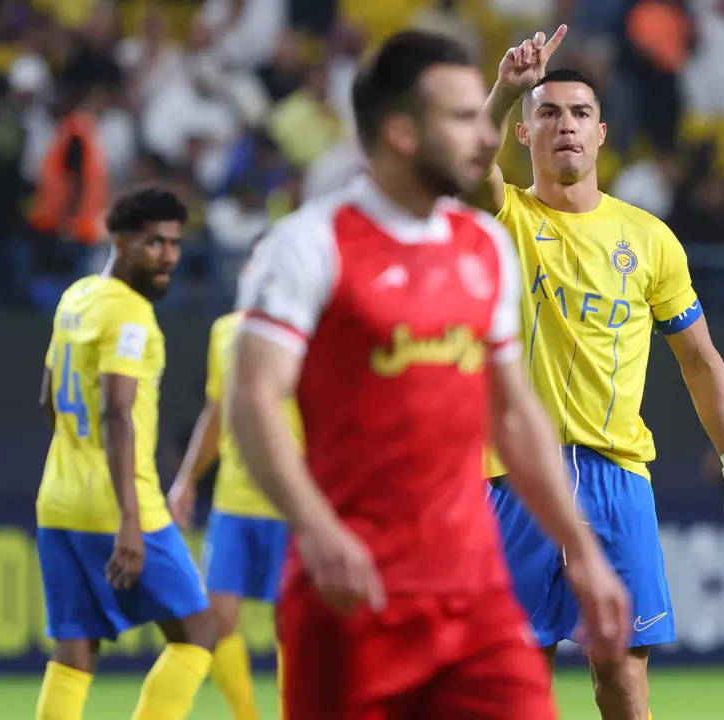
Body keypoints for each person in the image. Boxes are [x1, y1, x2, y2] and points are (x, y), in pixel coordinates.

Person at [228, 31, 629, 720]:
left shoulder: (483, 250)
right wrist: (318, 530)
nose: (485, 136)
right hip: (351, 595)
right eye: (463, 118)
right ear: (400, 131)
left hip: (474, 599)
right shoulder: (307, 247)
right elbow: (252, 400)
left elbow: (512, 415)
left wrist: (585, 552)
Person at [472, 26, 724, 719]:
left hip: (617, 480)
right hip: (519, 479)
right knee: (514, 684)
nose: (565, 125)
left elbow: (700, 361)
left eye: (579, 113)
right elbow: (462, 165)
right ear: (523, 135)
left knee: (623, 684)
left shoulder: (649, 239)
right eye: (547, 112)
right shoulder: (505, 216)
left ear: (602, 134)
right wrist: (505, 89)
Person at [33, 188, 217, 720]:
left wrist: (78, 453)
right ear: (120, 241)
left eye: (175, 244)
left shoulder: (76, 297)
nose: (168, 257)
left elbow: (47, 397)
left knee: (75, 650)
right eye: (153, 243)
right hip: (119, 503)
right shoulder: (131, 315)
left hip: (58, 500)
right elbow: (117, 412)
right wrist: (129, 520)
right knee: (197, 633)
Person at [167, 310, 301, 720]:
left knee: (292, 625)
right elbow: (216, 411)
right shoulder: (225, 330)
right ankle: (247, 715)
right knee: (216, 619)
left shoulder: (306, 327)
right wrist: (187, 478)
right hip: (233, 501)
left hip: (291, 498)